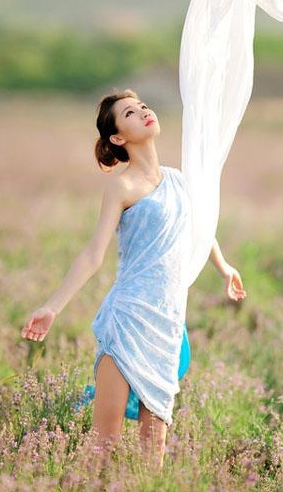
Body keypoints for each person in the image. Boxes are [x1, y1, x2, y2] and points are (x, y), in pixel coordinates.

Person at [20, 88, 246, 471]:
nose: (143, 111)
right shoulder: (121, 186)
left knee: (153, 450)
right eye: (129, 112)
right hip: (127, 319)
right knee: (103, 446)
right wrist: (52, 306)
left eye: (142, 106)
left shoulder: (179, 180)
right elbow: (94, 254)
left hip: (168, 325)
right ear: (117, 137)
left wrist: (224, 267)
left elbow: (200, 229)